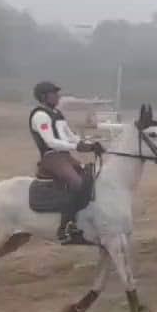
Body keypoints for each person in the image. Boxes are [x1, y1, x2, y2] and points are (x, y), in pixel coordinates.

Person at [29, 81, 105, 244]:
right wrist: (76, 146)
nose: (58, 96)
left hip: (64, 156)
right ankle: (65, 226)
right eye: (54, 93)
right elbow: (50, 142)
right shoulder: (40, 115)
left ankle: (86, 219)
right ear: (44, 96)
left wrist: (89, 145)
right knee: (76, 182)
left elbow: (70, 136)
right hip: (51, 157)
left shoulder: (57, 114)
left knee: (89, 177)